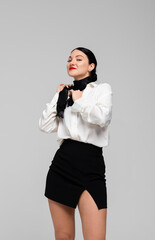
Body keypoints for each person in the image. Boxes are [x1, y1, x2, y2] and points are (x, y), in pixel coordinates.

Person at [38, 47, 113, 240]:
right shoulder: (65, 94)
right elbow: (45, 126)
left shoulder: (102, 90)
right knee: (63, 236)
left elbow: (102, 118)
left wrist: (79, 101)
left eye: (79, 59)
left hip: (91, 165)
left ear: (91, 66)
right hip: (62, 165)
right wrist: (58, 97)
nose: (72, 62)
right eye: (70, 59)